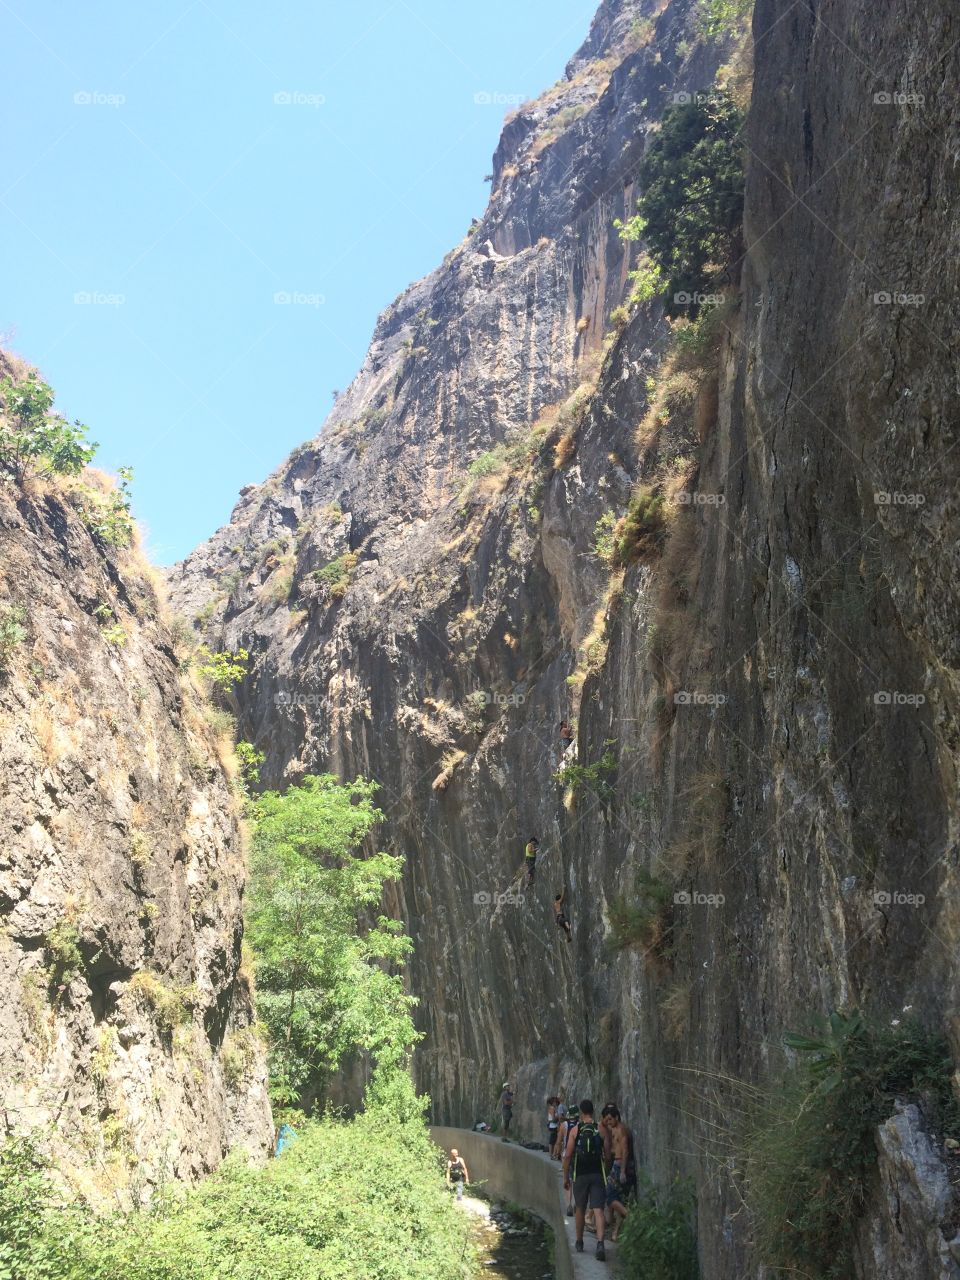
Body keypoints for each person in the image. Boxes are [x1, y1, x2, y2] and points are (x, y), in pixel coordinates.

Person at [563, 1098, 607, 1261]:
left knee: (580, 1208)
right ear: (593, 1111)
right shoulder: (600, 1128)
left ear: (581, 1113)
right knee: (598, 1210)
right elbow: (608, 1154)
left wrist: (566, 1177)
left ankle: (580, 1242)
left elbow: (568, 1155)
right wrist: (605, 1171)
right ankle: (600, 1244)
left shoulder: (575, 1130)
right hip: (597, 1174)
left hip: (580, 1174)